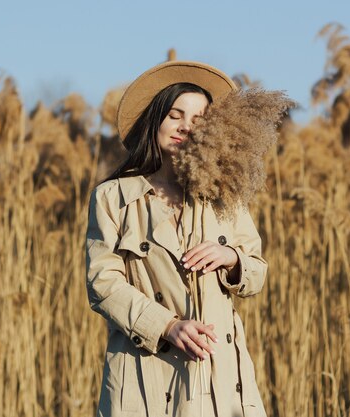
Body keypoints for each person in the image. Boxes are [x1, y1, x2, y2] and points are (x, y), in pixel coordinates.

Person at [86, 60, 268, 417]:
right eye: (175, 115)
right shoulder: (113, 197)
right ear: (156, 120)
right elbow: (102, 283)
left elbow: (257, 272)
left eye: (199, 119)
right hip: (147, 376)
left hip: (220, 378)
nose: (185, 126)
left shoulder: (224, 195)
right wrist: (167, 326)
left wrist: (231, 257)